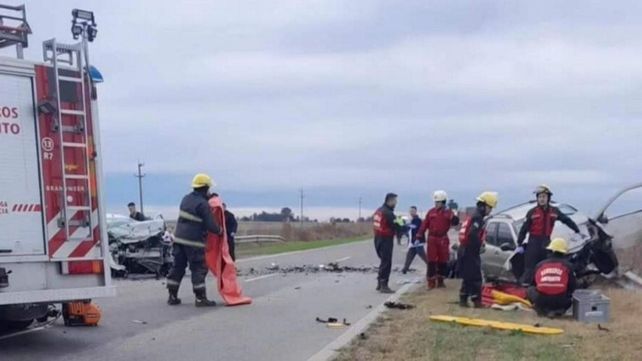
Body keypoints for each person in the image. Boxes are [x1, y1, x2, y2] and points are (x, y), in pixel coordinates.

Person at [166, 173, 224, 307]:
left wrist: (209, 198)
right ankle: (200, 298)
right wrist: (220, 231)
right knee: (198, 268)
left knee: (178, 267)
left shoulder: (185, 199)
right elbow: (211, 225)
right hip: (193, 242)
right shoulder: (203, 204)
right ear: (205, 188)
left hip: (179, 240)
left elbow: (194, 207)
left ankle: (172, 296)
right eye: (208, 188)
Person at [516, 185, 582, 285]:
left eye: (544, 197)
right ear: (537, 199)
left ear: (548, 198)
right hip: (533, 243)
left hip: (547, 242)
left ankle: (546, 289)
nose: (542, 199)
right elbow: (524, 229)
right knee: (530, 269)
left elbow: (566, 220)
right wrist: (519, 243)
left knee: (546, 268)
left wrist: (577, 230)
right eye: (540, 197)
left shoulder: (554, 211)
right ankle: (526, 290)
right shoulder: (532, 212)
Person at [458, 191, 498, 308]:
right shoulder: (477, 218)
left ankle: (463, 298)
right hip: (470, 251)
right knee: (476, 277)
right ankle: (476, 301)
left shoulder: (474, 215)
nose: (490, 211)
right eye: (490, 208)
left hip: (465, 250)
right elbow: (473, 235)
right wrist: (480, 245)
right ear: (484, 206)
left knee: (468, 277)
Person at [416, 190, 460, 289]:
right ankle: (431, 282)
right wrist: (419, 235)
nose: (436, 204)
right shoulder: (431, 212)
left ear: (443, 202)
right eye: (435, 202)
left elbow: (455, 222)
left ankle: (440, 281)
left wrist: (453, 214)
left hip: (443, 238)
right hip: (432, 238)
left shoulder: (448, 213)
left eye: (438, 202)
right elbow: (424, 225)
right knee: (431, 261)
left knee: (443, 260)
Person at [527, 238, 577, 317]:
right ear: (564, 253)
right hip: (561, 301)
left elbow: (533, 283)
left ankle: (541, 309)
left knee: (530, 289)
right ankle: (558, 310)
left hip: (541, 300)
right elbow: (573, 286)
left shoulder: (540, 265)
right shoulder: (568, 266)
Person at [373, 193, 401, 294]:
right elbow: (397, 225)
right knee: (386, 262)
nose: (396, 203)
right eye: (395, 201)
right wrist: (405, 225)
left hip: (378, 238)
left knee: (383, 261)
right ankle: (384, 284)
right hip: (385, 239)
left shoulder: (379, 210)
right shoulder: (388, 212)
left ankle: (379, 283)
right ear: (390, 200)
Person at [401, 206, 427, 274]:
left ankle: (432, 268)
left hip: (418, 242)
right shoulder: (411, 220)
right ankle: (405, 269)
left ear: (416, 211)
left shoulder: (417, 220)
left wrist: (408, 225)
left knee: (423, 256)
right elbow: (408, 230)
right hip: (412, 243)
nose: (411, 212)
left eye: (413, 211)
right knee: (409, 255)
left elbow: (416, 228)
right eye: (410, 211)